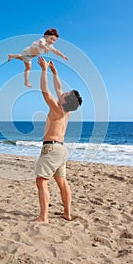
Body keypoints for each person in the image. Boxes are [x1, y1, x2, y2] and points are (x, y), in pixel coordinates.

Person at [34, 56, 82, 223]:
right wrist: (55, 73)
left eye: (65, 94)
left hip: (52, 149)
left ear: (66, 101)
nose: (62, 93)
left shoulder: (57, 109)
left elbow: (45, 91)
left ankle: (43, 217)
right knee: (62, 182)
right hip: (61, 150)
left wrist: (44, 71)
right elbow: (58, 88)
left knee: (41, 180)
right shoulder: (67, 111)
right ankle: (67, 213)